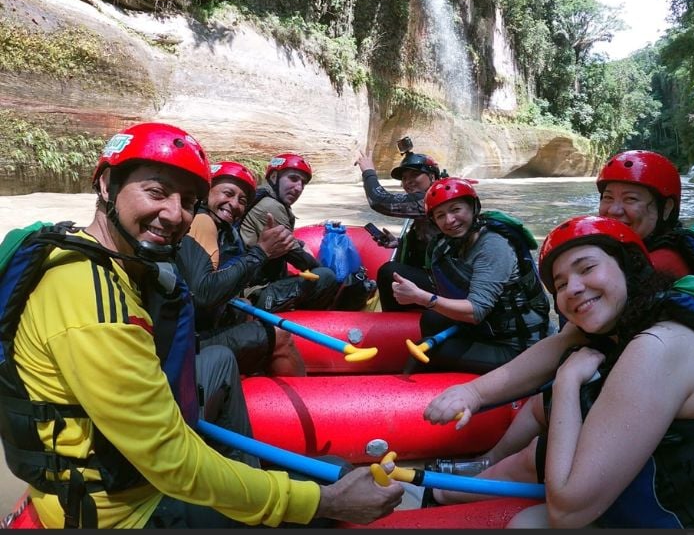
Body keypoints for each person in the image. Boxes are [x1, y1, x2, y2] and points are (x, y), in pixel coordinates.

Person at [0, 123, 405, 528]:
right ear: (106, 185)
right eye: (156, 192)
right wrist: (323, 502)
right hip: (120, 511)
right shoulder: (91, 302)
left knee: (226, 369)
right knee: (326, 492)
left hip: (131, 475)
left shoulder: (101, 257)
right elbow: (171, 461)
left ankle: (248, 476)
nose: (176, 214)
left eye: (189, 200)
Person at [422, 215, 694, 528]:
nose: (573, 288)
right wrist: (474, 393)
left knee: (531, 519)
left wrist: (566, 383)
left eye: (587, 268)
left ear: (628, 267)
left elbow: (567, 513)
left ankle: (441, 494)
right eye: (560, 284)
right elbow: (554, 348)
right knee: (531, 509)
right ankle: (449, 489)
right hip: (680, 492)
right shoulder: (641, 311)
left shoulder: (659, 346)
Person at [386, 177, 550, 374]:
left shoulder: (494, 245)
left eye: (456, 209)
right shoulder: (449, 243)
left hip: (519, 346)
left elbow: (476, 312)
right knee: (431, 319)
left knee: (428, 351)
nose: (450, 221)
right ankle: (448, 377)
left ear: (473, 207)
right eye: (440, 215)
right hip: (488, 329)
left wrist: (420, 297)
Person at [176, 160, 306, 376]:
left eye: (242, 200)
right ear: (207, 191)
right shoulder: (202, 221)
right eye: (227, 193)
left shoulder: (222, 229)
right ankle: (307, 402)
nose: (234, 204)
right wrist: (261, 252)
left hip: (195, 331)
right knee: (280, 337)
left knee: (242, 307)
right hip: (186, 344)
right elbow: (203, 293)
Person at [597, 149, 694, 290]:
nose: (613, 211)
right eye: (608, 197)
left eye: (630, 199)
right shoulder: (647, 249)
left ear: (666, 209)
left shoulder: (659, 268)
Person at [239, 152, 339, 312]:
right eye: (293, 179)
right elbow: (301, 260)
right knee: (326, 276)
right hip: (253, 292)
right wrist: (334, 278)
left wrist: (300, 243)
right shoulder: (271, 206)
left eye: (303, 183)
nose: (299, 187)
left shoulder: (265, 198)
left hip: (254, 282)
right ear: (274, 177)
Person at [354, 139, 446, 299]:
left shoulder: (430, 199)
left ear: (432, 177)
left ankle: (391, 319)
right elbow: (432, 238)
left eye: (415, 175)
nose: (408, 181)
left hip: (444, 280)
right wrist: (400, 243)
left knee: (388, 271)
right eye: (404, 178)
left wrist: (368, 172)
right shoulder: (425, 199)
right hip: (435, 272)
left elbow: (379, 201)